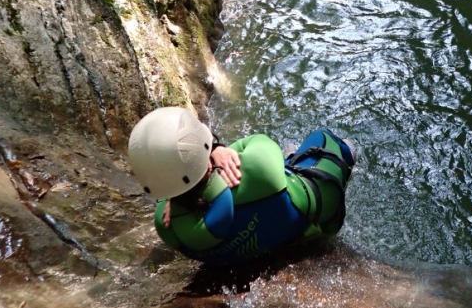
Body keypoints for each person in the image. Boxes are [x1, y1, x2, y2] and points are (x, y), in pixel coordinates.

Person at [128, 107, 356, 267]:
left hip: (243, 255)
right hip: (308, 214)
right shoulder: (254, 168)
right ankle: (322, 157)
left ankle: (290, 161)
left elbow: (179, 191)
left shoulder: (167, 225)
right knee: (326, 139)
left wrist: (173, 196)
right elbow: (260, 142)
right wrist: (219, 149)